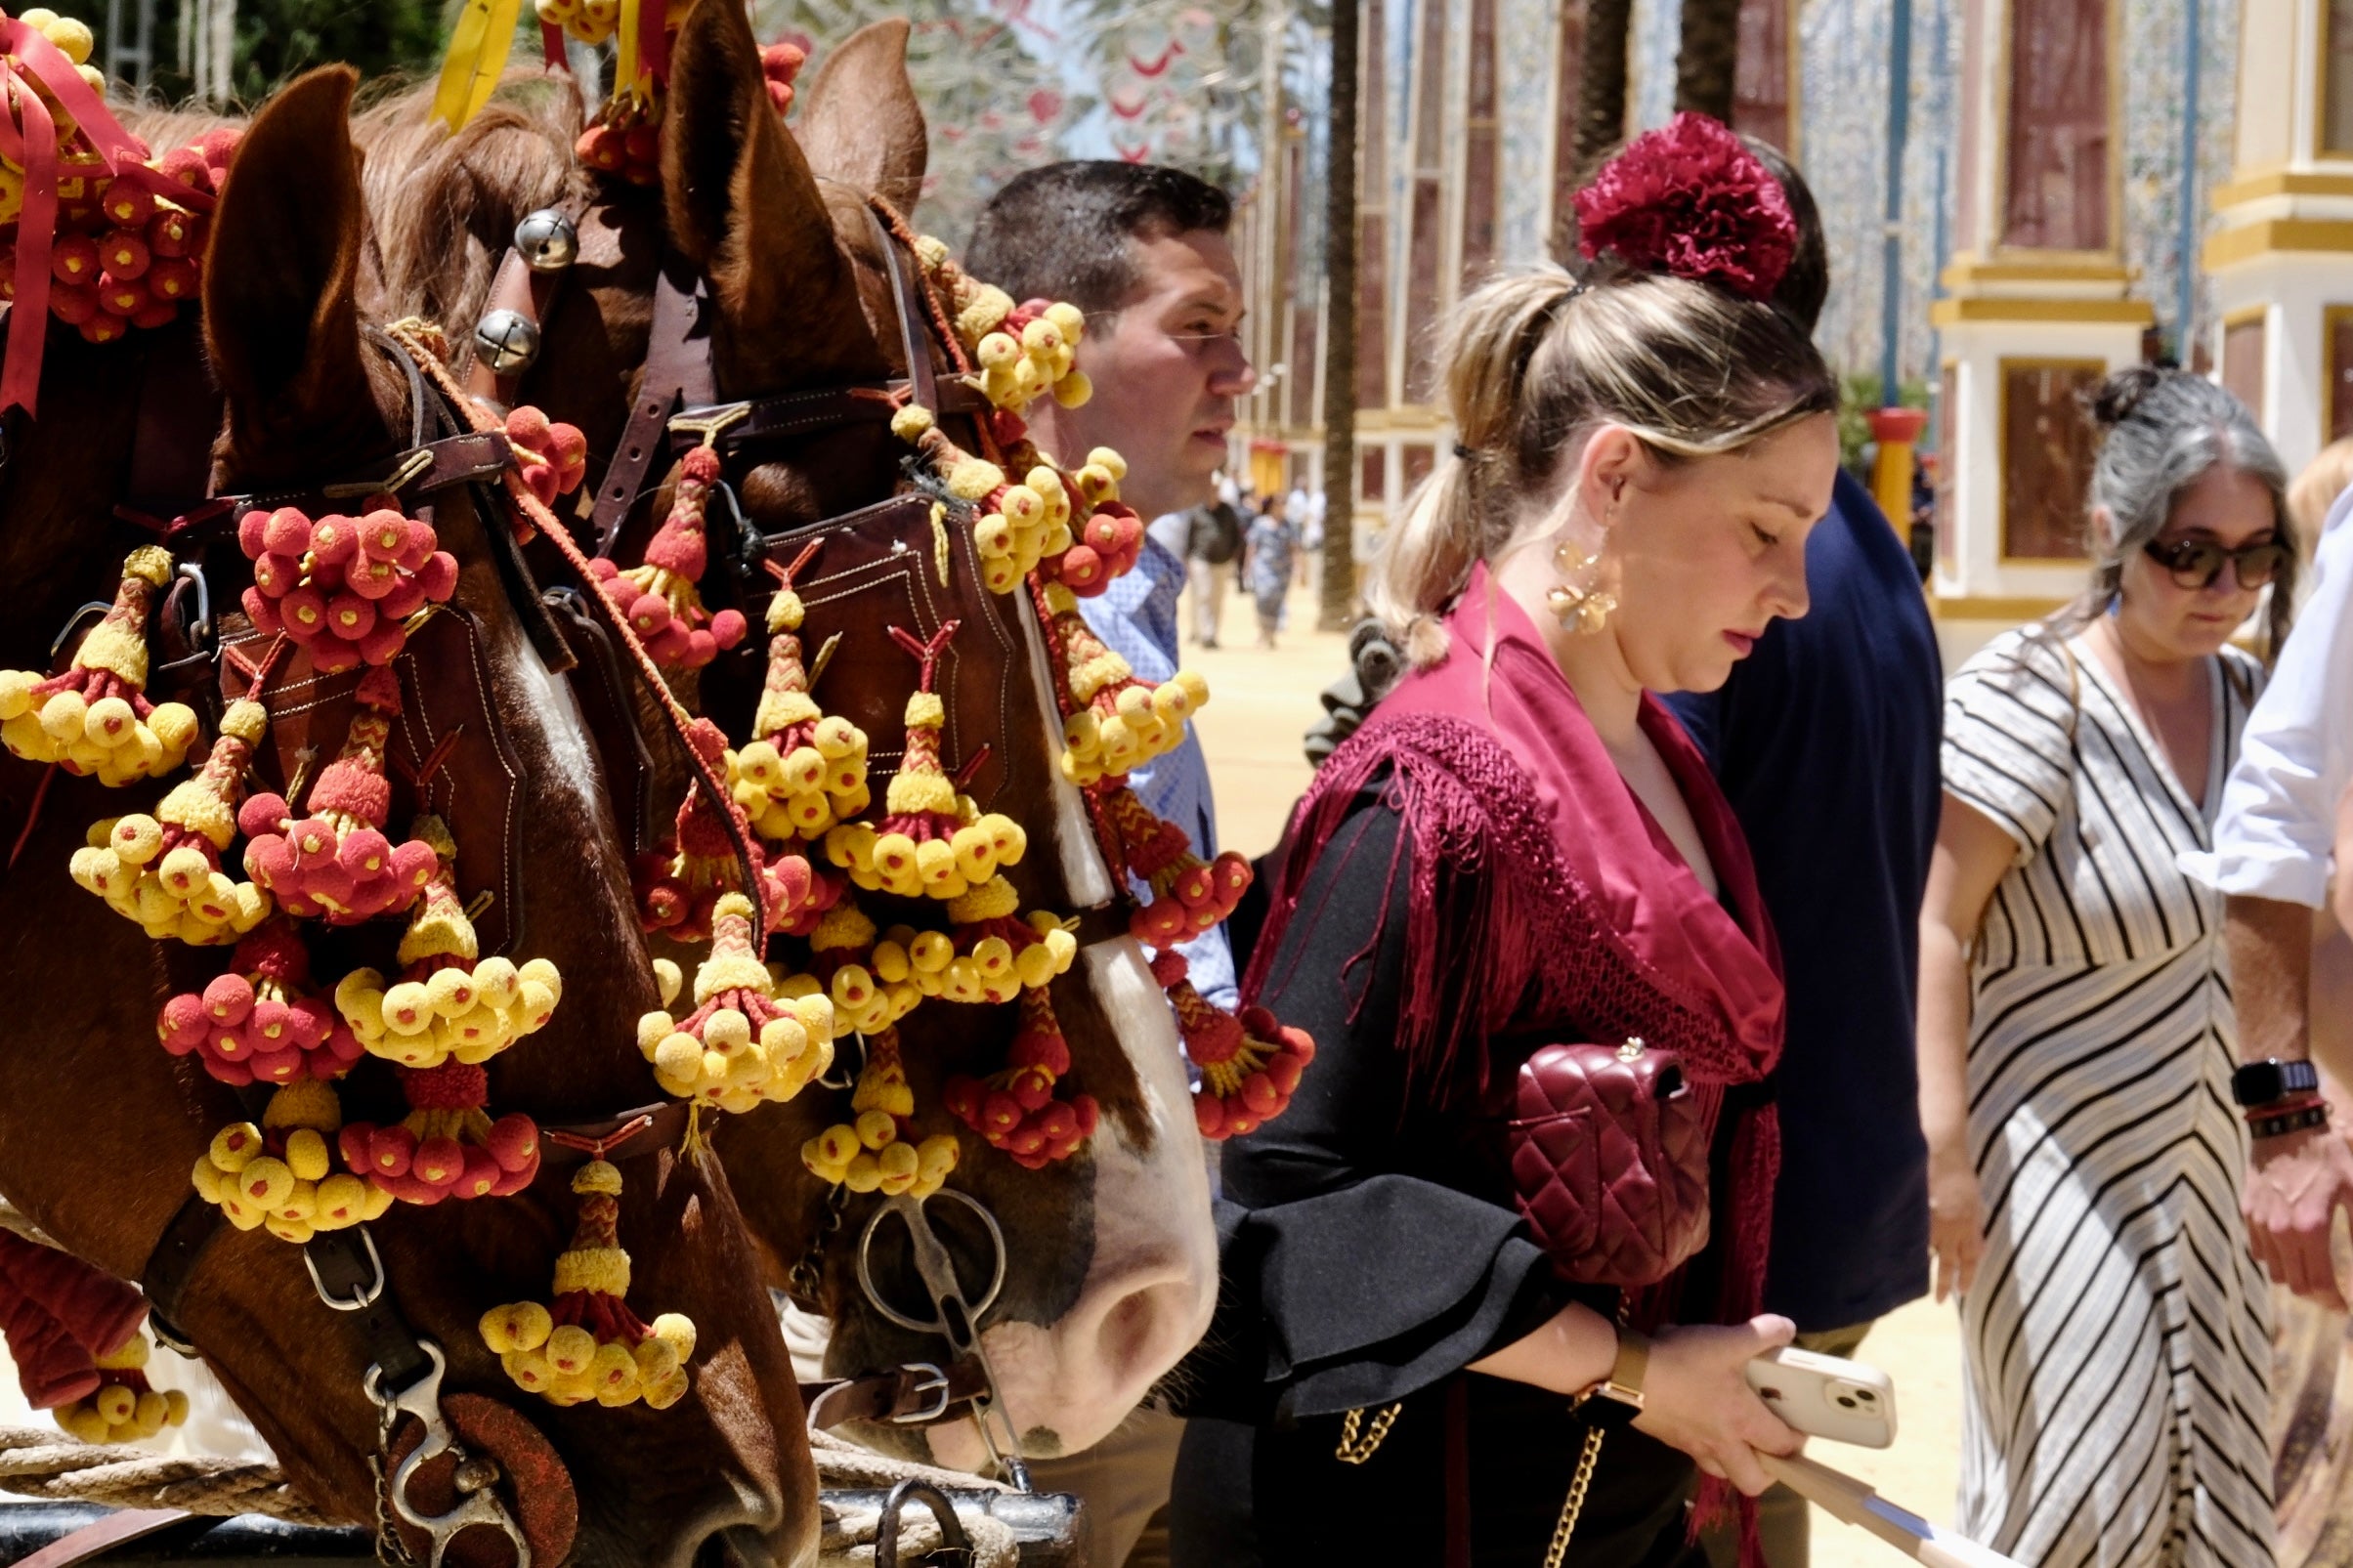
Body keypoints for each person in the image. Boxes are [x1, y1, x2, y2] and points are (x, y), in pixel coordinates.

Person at [1171, 115, 1838, 1567]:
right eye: (1766, 529)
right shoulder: (1428, 790)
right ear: (1613, 480)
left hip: (1600, 1512)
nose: (1796, 591)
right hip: (1401, 1517)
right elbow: (1288, 1195)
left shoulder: (1652, 756)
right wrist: (1647, 1372)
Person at [910, 159, 1256, 1567]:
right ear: (1048, 335)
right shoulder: (982, 633)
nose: (1241, 370)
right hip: (1060, 1325)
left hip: (1151, 1309)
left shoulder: (1125, 601)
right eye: (1200, 325)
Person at [1921, 367, 2295, 1568]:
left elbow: (2295, 940)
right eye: (2189, 553)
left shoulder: (2258, 711)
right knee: (2077, 1507)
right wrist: (1940, 1158)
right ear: (2110, 535)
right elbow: (1933, 929)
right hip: (2053, 1180)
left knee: (2228, 1502)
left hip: (2220, 1183)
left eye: (2254, 555)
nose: (2225, 588)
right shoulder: (2027, 703)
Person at [1659, 141, 1942, 1568]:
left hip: (1727, 1231)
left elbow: (1653, 896)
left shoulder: (1717, 562)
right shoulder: (1866, 537)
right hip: (1835, 1192)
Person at [1243, 490, 1300, 648]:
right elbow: (1252, 546)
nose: (1281, 507)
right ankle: (1262, 631)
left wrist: (1297, 567)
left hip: (1282, 571)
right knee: (1263, 598)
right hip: (1263, 568)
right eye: (1278, 504)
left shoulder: (1289, 525)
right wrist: (1247, 567)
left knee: (1276, 601)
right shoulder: (1260, 524)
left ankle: (1270, 634)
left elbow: (1294, 547)